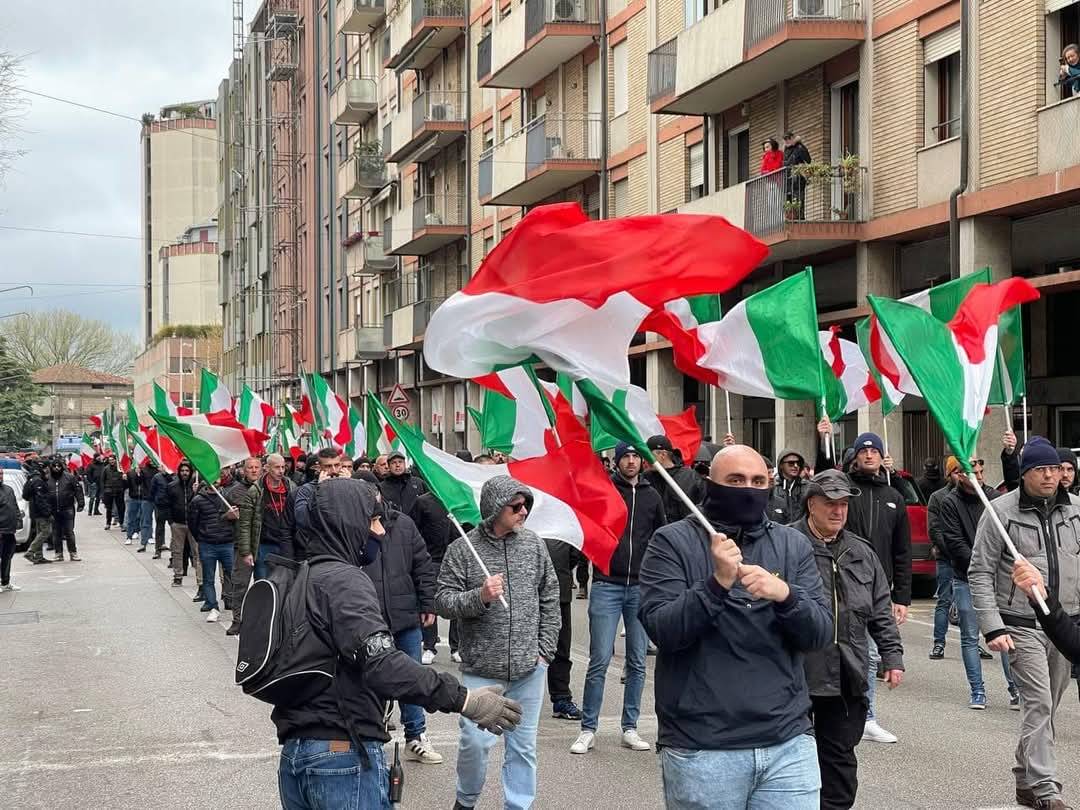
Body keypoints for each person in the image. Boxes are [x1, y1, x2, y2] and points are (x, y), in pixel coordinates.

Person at [272, 478, 524, 810]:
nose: (379, 531)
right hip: (342, 755)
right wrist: (464, 700)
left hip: (297, 753)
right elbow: (383, 665)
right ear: (348, 522)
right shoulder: (345, 582)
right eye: (373, 520)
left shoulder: (305, 575)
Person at [639, 445, 832, 809]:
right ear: (710, 483)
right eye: (736, 480)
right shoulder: (672, 542)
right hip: (703, 747)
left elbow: (820, 634)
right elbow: (662, 630)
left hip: (787, 743)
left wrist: (787, 596)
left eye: (758, 480)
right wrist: (717, 584)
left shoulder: (792, 544)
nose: (748, 489)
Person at [436, 475, 560, 810]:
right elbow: (443, 601)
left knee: (523, 747)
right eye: (516, 506)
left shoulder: (534, 545)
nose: (523, 513)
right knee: (475, 743)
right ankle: (466, 800)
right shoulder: (462, 549)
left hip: (528, 669)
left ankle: (518, 805)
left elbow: (550, 596)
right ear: (493, 510)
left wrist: (544, 651)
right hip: (482, 670)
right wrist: (480, 596)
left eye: (526, 506)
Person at [970, 436, 1080, 810]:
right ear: (1025, 473)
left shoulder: (1076, 511)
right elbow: (980, 570)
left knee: (1049, 704)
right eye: (1040, 469)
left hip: (1064, 624)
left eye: (1055, 468)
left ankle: (1024, 777)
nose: (1050, 475)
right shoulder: (1001, 512)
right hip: (1021, 623)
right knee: (1040, 703)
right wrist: (992, 626)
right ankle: (1047, 788)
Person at [795, 470, 904, 810]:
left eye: (843, 504)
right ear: (811, 503)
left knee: (840, 760)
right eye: (830, 503)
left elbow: (881, 610)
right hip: (796, 674)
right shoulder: (786, 544)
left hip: (848, 675)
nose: (838, 511)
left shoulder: (862, 552)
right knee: (793, 758)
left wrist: (892, 657)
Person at [571, 441, 666, 756]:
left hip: (640, 587)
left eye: (635, 457)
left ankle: (630, 727)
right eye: (625, 456)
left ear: (642, 461)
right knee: (598, 660)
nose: (630, 462)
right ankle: (588, 729)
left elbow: (661, 537)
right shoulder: (605, 492)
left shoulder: (653, 496)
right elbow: (586, 528)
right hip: (607, 584)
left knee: (637, 661)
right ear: (616, 461)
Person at [357, 480, 443, 765]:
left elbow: (422, 564)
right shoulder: (350, 527)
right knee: (371, 679)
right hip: (369, 621)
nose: (373, 500)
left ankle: (416, 737)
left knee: (412, 678)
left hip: (406, 617)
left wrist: (428, 602)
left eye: (375, 494)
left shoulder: (403, 524)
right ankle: (372, 737)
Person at [844, 432, 911, 745]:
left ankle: (867, 717)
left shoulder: (894, 497)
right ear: (856, 455)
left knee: (871, 654)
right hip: (842, 582)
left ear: (882, 456)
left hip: (878, 589)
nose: (869, 455)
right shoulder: (845, 489)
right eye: (863, 450)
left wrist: (903, 598)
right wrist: (823, 440)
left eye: (874, 451)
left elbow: (902, 550)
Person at [939, 456, 1021, 710]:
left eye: (981, 471)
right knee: (970, 637)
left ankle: (1016, 688)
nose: (979, 475)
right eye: (973, 471)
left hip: (1000, 578)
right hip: (966, 578)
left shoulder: (994, 497)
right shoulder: (949, 503)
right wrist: (980, 567)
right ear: (959, 475)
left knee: (1007, 634)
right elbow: (954, 542)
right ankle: (977, 690)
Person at [412, 484, 459, 664]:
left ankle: (457, 646)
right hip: (431, 559)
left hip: (455, 560)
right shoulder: (422, 502)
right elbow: (415, 530)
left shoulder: (457, 501)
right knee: (429, 602)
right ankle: (429, 646)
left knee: (456, 602)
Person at [187, 468, 237, 622]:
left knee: (232, 575)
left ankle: (231, 600)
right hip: (207, 544)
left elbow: (236, 518)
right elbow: (193, 524)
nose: (216, 480)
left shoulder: (227, 496)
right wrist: (202, 536)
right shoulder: (198, 500)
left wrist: (232, 518)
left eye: (217, 478)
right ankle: (213, 606)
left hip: (226, 543)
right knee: (208, 578)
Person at [237, 452, 296, 582]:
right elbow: (245, 523)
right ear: (267, 468)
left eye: (283, 467)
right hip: (264, 546)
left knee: (285, 584)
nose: (281, 471)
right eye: (277, 467)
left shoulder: (291, 487)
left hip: (286, 544)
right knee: (263, 584)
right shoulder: (256, 491)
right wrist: (246, 552)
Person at [225, 456, 263, 636]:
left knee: (263, 586)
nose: (254, 470)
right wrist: (228, 516)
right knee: (239, 585)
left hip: (263, 545)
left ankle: (260, 621)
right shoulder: (234, 491)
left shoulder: (267, 489)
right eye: (250, 468)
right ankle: (237, 620)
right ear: (243, 470)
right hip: (241, 546)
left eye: (257, 467)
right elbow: (220, 517)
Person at [928, 456, 961, 660]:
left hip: (967, 560)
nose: (961, 475)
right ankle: (939, 642)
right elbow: (935, 529)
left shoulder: (974, 494)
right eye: (956, 471)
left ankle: (972, 641)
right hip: (947, 558)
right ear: (949, 474)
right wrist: (952, 552)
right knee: (944, 600)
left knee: (968, 604)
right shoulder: (938, 497)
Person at [294, 448, 344, 560]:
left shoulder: (350, 486)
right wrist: (320, 491)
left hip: (343, 551)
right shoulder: (307, 490)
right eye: (328, 466)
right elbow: (302, 519)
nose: (334, 470)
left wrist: (350, 486)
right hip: (316, 553)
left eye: (337, 465)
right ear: (319, 468)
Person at [644, 434, 703, 522]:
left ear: (663, 455)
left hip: (684, 532)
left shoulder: (691, 477)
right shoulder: (645, 479)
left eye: (648, 455)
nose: (645, 459)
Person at [166, 460, 198, 589]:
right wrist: (171, 521)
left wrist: (196, 491)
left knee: (197, 552)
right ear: (179, 472)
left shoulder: (195, 486)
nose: (184, 473)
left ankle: (200, 579)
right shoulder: (172, 486)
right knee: (177, 551)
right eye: (182, 471)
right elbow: (166, 505)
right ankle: (178, 576)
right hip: (178, 524)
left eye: (187, 471)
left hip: (193, 524)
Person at [47, 456, 84, 561]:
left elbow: (78, 490)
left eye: (59, 466)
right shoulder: (48, 479)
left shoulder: (69, 477)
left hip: (67, 509)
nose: (57, 468)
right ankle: (58, 553)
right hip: (53, 510)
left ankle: (73, 553)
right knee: (56, 532)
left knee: (69, 532)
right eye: (54, 466)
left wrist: (81, 503)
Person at [379, 450, 428, 519]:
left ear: (405, 464)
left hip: (417, 527)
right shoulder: (381, 487)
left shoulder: (418, 483)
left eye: (400, 462)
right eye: (393, 463)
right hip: (393, 527)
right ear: (389, 466)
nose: (397, 465)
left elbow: (428, 505)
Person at [22, 460, 55, 565]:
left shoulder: (31, 479)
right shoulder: (38, 481)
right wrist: (48, 513)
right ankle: (30, 552)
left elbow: (25, 496)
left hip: (34, 511)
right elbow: (41, 499)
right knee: (46, 532)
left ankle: (39, 556)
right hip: (41, 512)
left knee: (39, 533)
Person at [768, 447, 809, 524]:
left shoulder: (807, 488)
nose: (796, 466)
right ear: (781, 465)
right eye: (791, 463)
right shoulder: (773, 488)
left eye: (798, 463)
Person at [0, 466, 24, 591]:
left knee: (7, 556)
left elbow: (14, 506)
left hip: (9, 530)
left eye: (1, 474)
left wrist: (18, 520)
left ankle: (5, 582)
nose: (1, 476)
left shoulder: (8, 489)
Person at [125, 460, 156, 550]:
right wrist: (125, 479)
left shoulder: (151, 471)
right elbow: (129, 485)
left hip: (143, 498)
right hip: (133, 498)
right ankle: (129, 536)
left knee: (145, 518)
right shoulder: (131, 473)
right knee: (131, 518)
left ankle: (148, 536)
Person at [783, 130, 812, 215]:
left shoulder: (800, 147)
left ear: (793, 138)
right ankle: (791, 219)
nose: (787, 140)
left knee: (798, 199)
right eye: (785, 139)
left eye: (788, 138)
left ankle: (800, 219)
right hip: (788, 179)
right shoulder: (786, 149)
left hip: (798, 179)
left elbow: (808, 161)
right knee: (788, 200)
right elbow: (786, 163)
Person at [150, 464, 173, 559]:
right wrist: (156, 501)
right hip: (160, 506)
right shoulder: (157, 477)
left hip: (171, 507)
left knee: (175, 530)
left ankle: (174, 554)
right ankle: (158, 550)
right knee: (159, 528)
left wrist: (168, 476)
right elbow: (152, 491)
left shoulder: (174, 476)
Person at [100, 456, 127, 531]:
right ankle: (108, 523)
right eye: (110, 460)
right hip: (108, 491)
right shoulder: (105, 469)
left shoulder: (120, 468)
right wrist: (103, 492)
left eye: (113, 460)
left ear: (115, 460)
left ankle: (121, 523)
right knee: (109, 509)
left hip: (119, 491)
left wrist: (123, 487)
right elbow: (102, 480)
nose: (111, 461)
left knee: (121, 508)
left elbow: (124, 480)